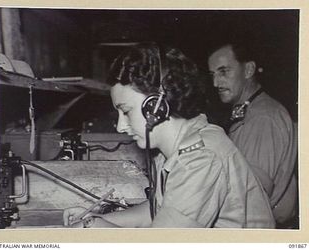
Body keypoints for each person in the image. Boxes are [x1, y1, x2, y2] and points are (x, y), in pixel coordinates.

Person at [63, 44, 275, 228]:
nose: (120, 126)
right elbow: (161, 211)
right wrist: (100, 219)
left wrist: (98, 229)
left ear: (156, 107)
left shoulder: (200, 159)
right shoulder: (171, 148)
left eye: (126, 111)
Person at [207, 39, 298, 226]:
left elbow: (252, 196)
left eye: (224, 71)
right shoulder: (250, 109)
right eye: (212, 74)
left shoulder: (262, 117)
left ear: (248, 70)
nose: (216, 83)